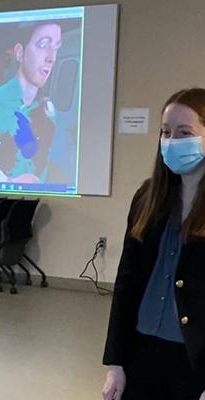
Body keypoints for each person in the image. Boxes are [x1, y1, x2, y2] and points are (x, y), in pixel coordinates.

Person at [102, 88, 205, 400]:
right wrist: (116, 362)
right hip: (143, 351)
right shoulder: (148, 196)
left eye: (184, 132)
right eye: (166, 132)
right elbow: (127, 283)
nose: (172, 141)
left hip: (194, 358)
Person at [0, 21, 62, 184]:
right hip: (1, 203)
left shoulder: (48, 109)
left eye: (56, 47)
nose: (51, 57)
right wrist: (8, 182)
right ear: (20, 53)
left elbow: (45, 157)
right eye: (43, 45)